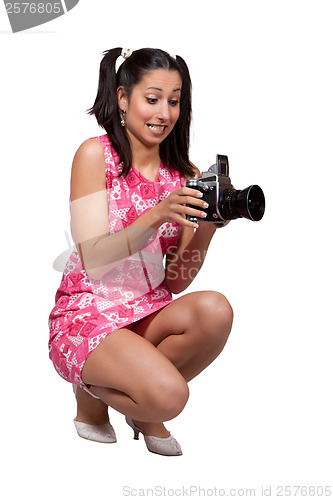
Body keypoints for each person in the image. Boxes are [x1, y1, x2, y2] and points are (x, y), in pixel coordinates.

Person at [48, 47, 233, 456]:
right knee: (169, 398)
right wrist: (157, 213)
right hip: (89, 313)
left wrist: (209, 226)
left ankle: (137, 392)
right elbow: (93, 257)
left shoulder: (183, 175)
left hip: (147, 310)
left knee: (216, 310)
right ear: (122, 98)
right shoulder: (96, 155)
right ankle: (96, 396)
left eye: (174, 100)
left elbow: (177, 280)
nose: (164, 113)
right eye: (152, 99)